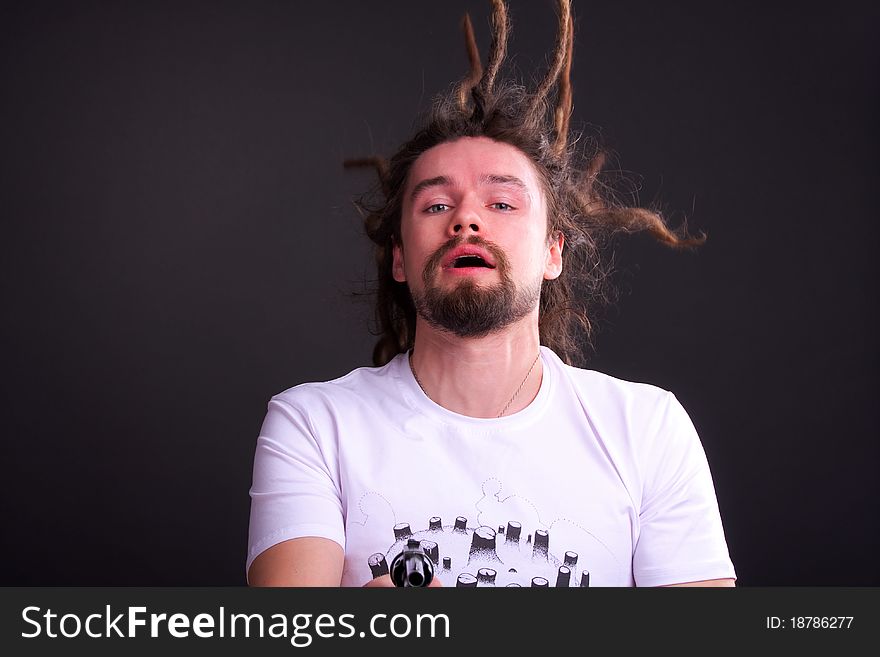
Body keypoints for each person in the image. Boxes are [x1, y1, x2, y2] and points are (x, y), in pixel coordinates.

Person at [246, 0, 736, 588]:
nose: (466, 220)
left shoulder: (649, 430)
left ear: (554, 251)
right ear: (399, 256)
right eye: (435, 204)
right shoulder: (313, 425)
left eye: (502, 203)